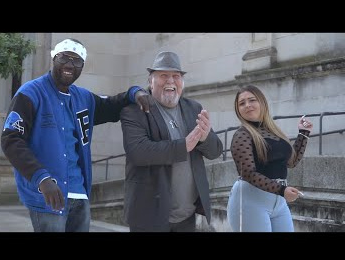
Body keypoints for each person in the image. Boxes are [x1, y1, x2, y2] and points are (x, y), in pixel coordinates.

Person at [1, 38, 151, 232]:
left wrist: (135, 92)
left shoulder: (84, 98)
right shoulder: (30, 93)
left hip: (79, 195)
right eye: (64, 58)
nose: (70, 65)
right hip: (48, 195)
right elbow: (11, 140)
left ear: (82, 66)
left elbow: (113, 105)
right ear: (54, 58)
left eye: (77, 60)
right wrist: (41, 178)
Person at [120, 51, 224, 232]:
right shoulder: (134, 110)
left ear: (182, 83)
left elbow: (215, 152)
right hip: (149, 215)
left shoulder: (194, 108)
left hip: (187, 216)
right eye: (163, 75)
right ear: (150, 81)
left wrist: (206, 136)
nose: (170, 81)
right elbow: (139, 152)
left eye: (176, 76)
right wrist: (184, 146)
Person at [226, 85, 313, 232]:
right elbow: (248, 173)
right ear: (238, 110)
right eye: (242, 103)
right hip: (250, 200)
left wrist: (304, 133)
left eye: (252, 100)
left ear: (262, 102)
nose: (247, 105)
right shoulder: (242, 134)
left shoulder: (274, 132)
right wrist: (282, 190)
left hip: (278, 202)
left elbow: (291, 161)